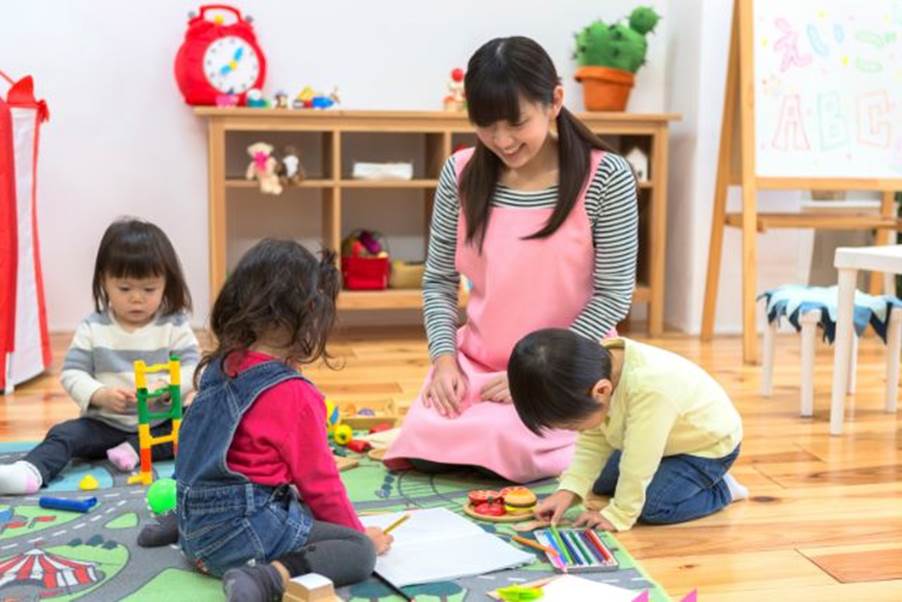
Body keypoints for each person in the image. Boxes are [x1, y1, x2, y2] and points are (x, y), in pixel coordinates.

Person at [384, 36, 639, 483]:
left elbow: (613, 294)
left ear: (554, 101)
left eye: (517, 123)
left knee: (510, 439)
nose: (501, 140)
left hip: (564, 368)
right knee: (425, 437)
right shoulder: (460, 173)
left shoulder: (606, 176)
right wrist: (445, 360)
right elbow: (438, 281)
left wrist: (534, 374)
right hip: (479, 364)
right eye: (486, 125)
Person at [174, 239, 392, 602]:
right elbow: (321, 485)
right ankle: (265, 578)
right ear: (311, 314)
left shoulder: (220, 365)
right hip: (240, 541)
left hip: (192, 532)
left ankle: (170, 526)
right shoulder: (294, 394)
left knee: (287, 500)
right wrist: (358, 534)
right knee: (357, 553)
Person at [0, 218, 198, 495]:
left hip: (160, 422)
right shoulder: (93, 327)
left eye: (149, 289)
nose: (137, 298)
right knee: (64, 434)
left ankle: (133, 449)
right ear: (104, 280)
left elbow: (194, 368)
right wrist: (99, 394)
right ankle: (30, 471)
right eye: (125, 289)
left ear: (167, 283)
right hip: (104, 424)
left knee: (200, 419)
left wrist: (167, 387)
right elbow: (72, 373)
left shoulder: (174, 325)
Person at [509, 328, 748, 531]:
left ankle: (724, 489)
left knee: (653, 507)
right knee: (600, 482)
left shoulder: (650, 389)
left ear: (601, 391)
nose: (577, 432)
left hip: (706, 448)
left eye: (574, 426)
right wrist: (569, 491)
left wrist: (619, 514)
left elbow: (639, 463)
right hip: (660, 439)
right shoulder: (593, 370)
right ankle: (678, 479)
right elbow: (594, 440)